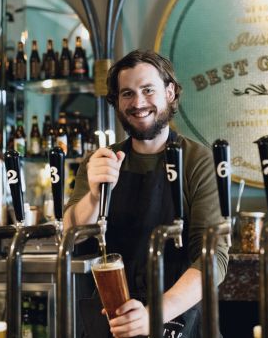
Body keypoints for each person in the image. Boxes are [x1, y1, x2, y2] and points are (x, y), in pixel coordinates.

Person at [63, 50, 229, 338]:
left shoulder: (196, 159)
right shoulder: (100, 160)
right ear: (116, 101)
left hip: (177, 316)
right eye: (127, 93)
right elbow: (70, 233)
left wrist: (152, 315)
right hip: (111, 316)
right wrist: (93, 194)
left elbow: (212, 257)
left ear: (170, 91)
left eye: (148, 90)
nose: (138, 103)